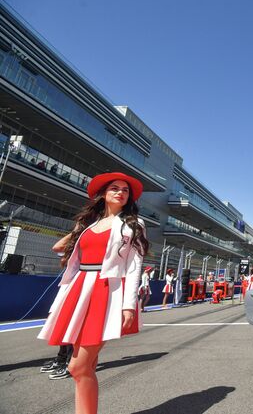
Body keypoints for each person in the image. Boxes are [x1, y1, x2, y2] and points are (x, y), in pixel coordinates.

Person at [37, 172, 148, 414]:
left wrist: (129, 304)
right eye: (114, 188)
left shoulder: (133, 225)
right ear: (104, 194)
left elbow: (134, 266)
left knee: (78, 367)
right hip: (79, 290)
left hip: (107, 291)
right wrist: (80, 229)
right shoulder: (90, 225)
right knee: (86, 365)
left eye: (125, 190)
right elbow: (62, 251)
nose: (120, 192)